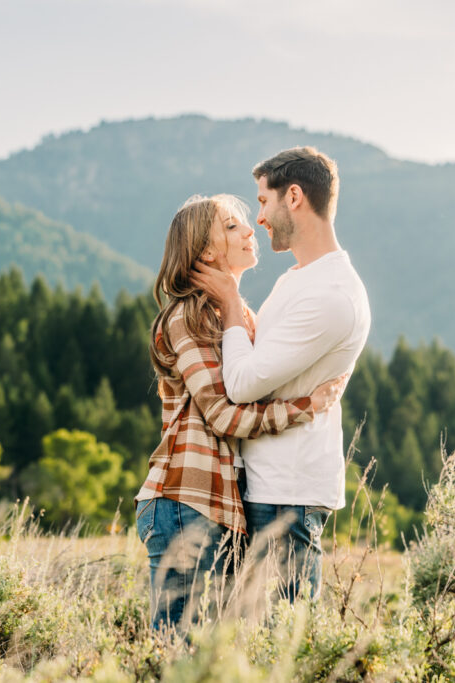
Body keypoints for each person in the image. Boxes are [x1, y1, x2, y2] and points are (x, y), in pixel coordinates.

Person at [134, 193, 347, 632]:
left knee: (209, 654)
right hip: (183, 501)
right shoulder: (187, 318)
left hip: (222, 510)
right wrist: (304, 407)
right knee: (176, 651)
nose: (250, 230)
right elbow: (224, 416)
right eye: (232, 226)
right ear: (206, 251)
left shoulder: (239, 316)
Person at [191, 147, 371, 603]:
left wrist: (231, 302)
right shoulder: (297, 279)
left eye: (263, 202)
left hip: (288, 496)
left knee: (284, 644)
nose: (259, 219)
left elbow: (243, 384)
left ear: (293, 197)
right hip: (264, 485)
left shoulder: (332, 295)